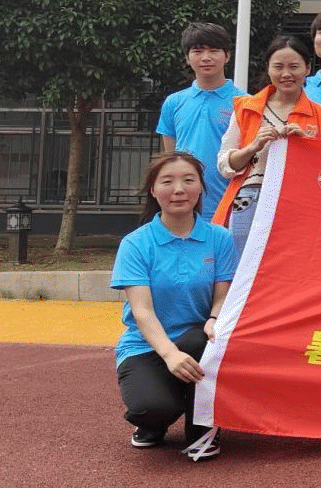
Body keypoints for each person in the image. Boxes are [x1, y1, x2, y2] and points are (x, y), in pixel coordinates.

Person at [111, 152, 237, 462]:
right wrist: (169, 354)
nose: (179, 189)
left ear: (201, 188)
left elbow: (222, 296)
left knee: (201, 340)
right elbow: (142, 311)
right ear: (153, 190)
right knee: (152, 408)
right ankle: (152, 424)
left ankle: (202, 428)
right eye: (167, 182)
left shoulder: (220, 238)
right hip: (145, 347)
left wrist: (214, 318)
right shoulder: (136, 243)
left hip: (197, 341)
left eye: (188, 180)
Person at [213, 35, 321, 255]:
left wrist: (306, 146)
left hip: (299, 204)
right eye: (278, 67)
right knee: (242, 264)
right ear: (268, 69)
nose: (286, 74)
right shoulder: (245, 108)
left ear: (307, 68)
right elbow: (224, 165)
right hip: (249, 198)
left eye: (294, 67)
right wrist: (253, 146)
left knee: (290, 265)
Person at [156, 22, 246, 220]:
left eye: (214, 50)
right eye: (197, 51)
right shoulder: (173, 103)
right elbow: (170, 158)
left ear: (227, 56)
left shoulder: (245, 103)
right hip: (186, 207)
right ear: (187, 58)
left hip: (231, 207)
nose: (206, 57)